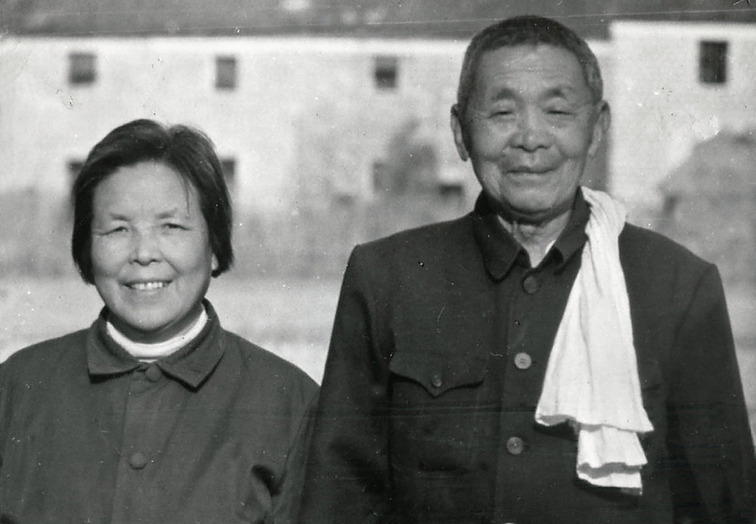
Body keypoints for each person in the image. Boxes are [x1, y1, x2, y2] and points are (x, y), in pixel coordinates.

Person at [300, 15, 756, 523]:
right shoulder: (388, 277)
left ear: (597, 129)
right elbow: (338, 500)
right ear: (461, 132)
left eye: (557, 111)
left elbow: (724, 507)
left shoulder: (677, 288)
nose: (531, 138)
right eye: (502, 113)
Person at [0, 119, 318, 523]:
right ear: (86, 249)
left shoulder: (291, 404)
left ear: (215, 246)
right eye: (118, 229)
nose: (144, 253)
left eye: (171, 227)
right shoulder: (16, 389)